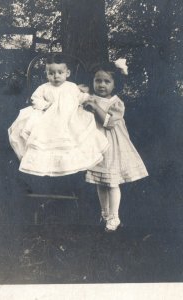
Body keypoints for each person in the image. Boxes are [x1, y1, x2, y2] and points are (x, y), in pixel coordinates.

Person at [8, 54, 108, 176]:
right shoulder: (44, 88)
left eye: (60, 72)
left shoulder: (72, 87)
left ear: (68, 73)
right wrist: (46, 105)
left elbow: (79, 97)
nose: (56, 76)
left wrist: (87, 98)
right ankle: (46, 166)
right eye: (51, 73)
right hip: (49, 119)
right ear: (47, 74)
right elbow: (35, 99)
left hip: (70, 118)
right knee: (43, 138)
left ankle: (69, 165)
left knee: (75, 138)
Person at [83, 59, 148, 232]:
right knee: (100, 180)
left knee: (112, 182)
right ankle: (104, 213)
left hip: (112, 144)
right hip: (95, 142)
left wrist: (94, 106)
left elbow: (109, 123)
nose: (102, 85)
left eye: (107, 81)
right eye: (98, 80)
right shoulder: (89, 98)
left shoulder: (116, 102)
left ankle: (115, 216)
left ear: (114, 84)